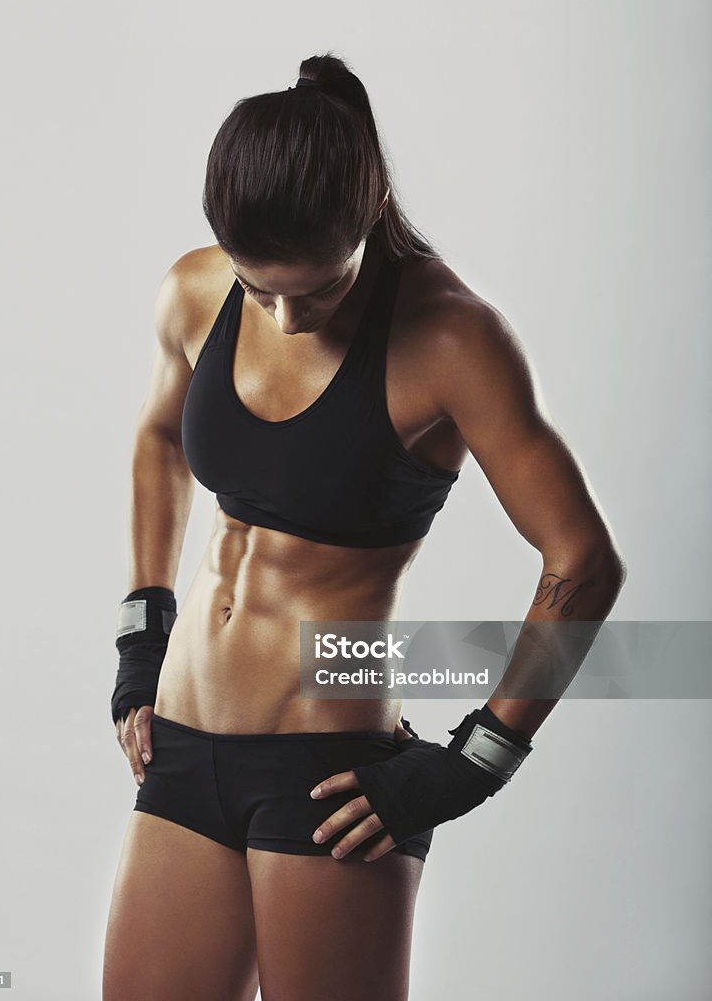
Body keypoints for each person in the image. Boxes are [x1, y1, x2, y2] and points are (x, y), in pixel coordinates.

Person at [102, 53, 627, 1001]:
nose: (290, 318)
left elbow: (582, 560)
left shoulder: (451, 338)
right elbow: (156, 437)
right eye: (263, 293)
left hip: (328, 774)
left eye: (319, 290)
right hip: (180, 740)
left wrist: (475, 762)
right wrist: (142, 635)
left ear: (370, 205)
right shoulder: (194, 290)